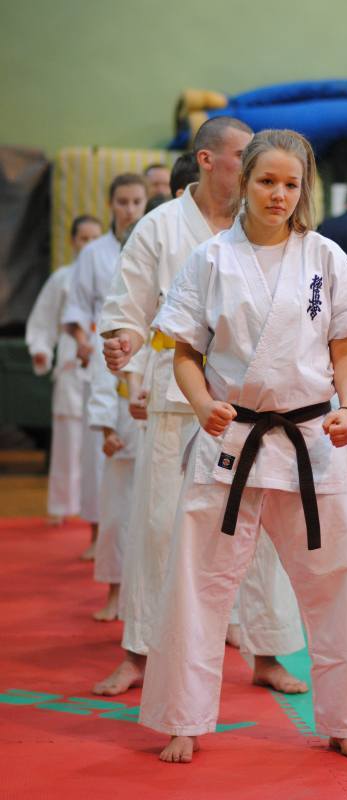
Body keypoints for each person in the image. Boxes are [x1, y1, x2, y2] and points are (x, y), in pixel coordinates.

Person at [138, 128, 347, 764]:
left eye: (291, 184)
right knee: (196, 583)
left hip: (313, 437)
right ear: (244, 182)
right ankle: (182, 718)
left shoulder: (324, 256)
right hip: (233, 438)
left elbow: (346, 350)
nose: (279, 194)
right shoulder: (211, 259)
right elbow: (185, 353)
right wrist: (204, 406)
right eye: (267, 181)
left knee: (339, 581)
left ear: (305, 189)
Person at [97, 118, 307, 698]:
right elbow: (129, 307)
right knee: (160, 530)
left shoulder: (265, 225)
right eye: (243, 155)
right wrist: (124, 341)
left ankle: (267, 652)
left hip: (253, 404)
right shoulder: (160, 227)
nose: (254, 166)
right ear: (208, 160)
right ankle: (139, 653)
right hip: (177, 399)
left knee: (261, 534)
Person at [62, 174, 147, 559]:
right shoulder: (94, 253)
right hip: (104, 348)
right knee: (99, 456)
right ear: (110, 204)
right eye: (122, 202)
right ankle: (97, 534)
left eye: (136, 201)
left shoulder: (150, 243)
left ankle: (130, 546)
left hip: (140, 349)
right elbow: (78, 305)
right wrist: (83, 340)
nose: (129, 209)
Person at [26, 215, 102, 525]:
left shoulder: (111, 275)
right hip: (71, 369)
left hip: (103, 369)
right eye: (83, 238)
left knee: (99, 441)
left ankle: (96, 508)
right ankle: (62, 505)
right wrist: (42, 349)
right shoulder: (62, 278)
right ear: (72, 241)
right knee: (67, 440)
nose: (89, 244)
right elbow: (43, 319)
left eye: (95, 238)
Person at [87, 348, 144, 621]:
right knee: (115, 518)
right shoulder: (116, 332)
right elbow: (102, 380)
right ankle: (115, 593)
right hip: (124, 425)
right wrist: (107, 431)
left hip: (166, 423)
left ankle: (150, 601)